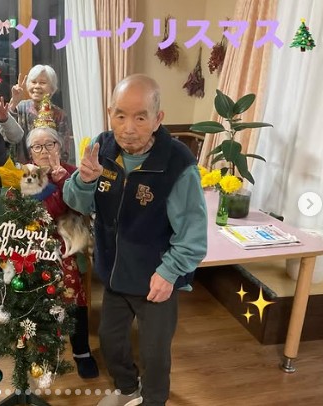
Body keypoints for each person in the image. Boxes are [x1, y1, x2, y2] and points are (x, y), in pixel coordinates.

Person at [63, 74, 208, 406]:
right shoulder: (101, 149)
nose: (128, 128)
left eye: (140, 117)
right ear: (110, 113)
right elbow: (77, 202)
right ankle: (128, 389)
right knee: (111, 342)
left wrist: (169, 272)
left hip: (157, 280)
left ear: (158, 119)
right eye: (120, 115)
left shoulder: (177, 164)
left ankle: (153, 400)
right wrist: (84, 180)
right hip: (115, 274)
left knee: (155, 354)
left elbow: (193, 234)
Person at [26, 125, 99, 379]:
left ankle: (81, 350)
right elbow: (47, 213)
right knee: (34, 285)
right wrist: (60, 186)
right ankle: (44, 349)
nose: (44, 151)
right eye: (38, 146)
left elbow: (83, 209)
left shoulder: (73, 172)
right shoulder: (28, 175)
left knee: (71, 283)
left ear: (60, 146)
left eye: (50, 144)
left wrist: (65, 181)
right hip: (36, 241)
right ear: (31, 153)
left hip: (69, 240)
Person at [8, 64, 74, 164]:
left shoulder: (59, 115)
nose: (37, 86)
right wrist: (14, 102)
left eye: (42, 83)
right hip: (22, 169)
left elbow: (63, 151)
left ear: (52, 88)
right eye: (33, 82)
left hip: (51, 168)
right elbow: (7, 133)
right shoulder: (20, 108)